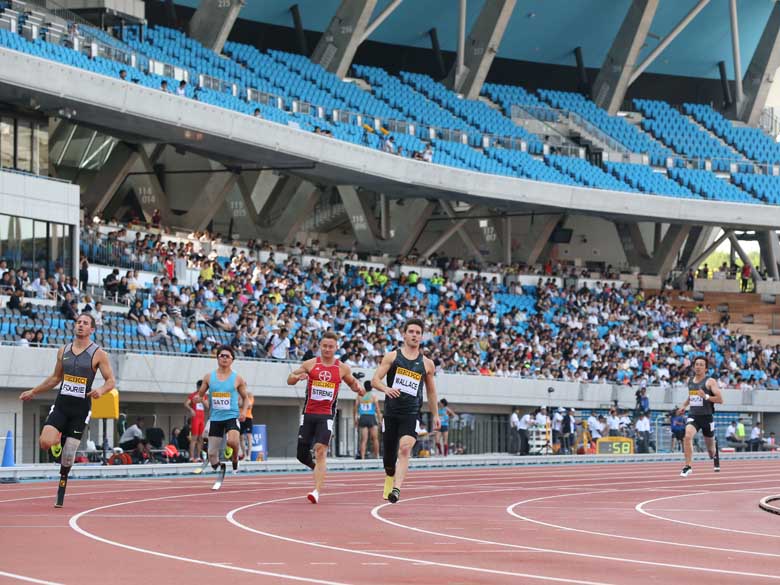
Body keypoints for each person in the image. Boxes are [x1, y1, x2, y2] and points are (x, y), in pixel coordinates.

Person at [19, 314, 115, 507]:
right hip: (62, 405)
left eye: (85, 323)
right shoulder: (64, 350)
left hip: (81, 409)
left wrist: (101, 391)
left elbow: (110, 380)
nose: (81, 325)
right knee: (45, 443)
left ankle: (63, 480)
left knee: (69, 455)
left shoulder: (99, 354)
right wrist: (34, 391)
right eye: (78, 322)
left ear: (92, 329)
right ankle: (57, 442)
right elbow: (55, 378)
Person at [286, 332, 364, 503]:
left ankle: (316, 491)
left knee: (320, 450)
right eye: (325, 346)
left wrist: (358, 388)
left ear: (336, 348)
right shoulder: (310, 364)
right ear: (320, 346)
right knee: (301, 454)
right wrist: (297, 377)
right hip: (308, 414)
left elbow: (351, 382)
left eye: (331, 346)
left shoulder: (342, 368)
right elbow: (289, 379)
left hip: (326, 415)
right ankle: (317, 469)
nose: (327, 349)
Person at [370, 318, 440, 504]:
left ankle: (396, 489)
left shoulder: (427, 364)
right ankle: (389, 476)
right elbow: (374, 380)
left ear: (422, 336)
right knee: (389, 458)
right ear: (404, 334)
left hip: (411, 413)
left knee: (405, 448)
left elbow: (431, 392)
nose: (414, 335)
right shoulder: (392, 357)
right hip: (391, 413)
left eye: (418, 332)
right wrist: (386, 389)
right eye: (411, 332)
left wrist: (436, 415)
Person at [196, 346, 249, 489]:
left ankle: (235, 457)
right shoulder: (208, 377)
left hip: (231, 416)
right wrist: (198, 398)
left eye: (227, 356)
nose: (224, 358)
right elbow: (200, 394)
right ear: (217, 358)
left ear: (232, 360)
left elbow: (246, 398)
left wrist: (243, 411)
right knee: (212, 454)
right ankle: (220, 467)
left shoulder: (237, 378)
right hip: (215, 418)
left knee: (232, 441)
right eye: (222, 355)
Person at [677, 356, 723, 477]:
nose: (698, 367)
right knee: (687, 436)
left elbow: (720, 399)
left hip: (707, 417)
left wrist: (706, 397)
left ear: (706, 368)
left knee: (710, 452)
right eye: (696, 364)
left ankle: (715, 451)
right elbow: (691, 397)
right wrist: (683, 406)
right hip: (694, 416)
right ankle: (688, 466)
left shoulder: (710, 382)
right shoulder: (690, 381)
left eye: (701, 365)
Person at [354, 381, 382, 459]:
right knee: (375, 438)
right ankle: (377, 456)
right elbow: (377, 408)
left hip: (363, 417)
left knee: (364, 439)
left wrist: (355, 419)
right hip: (371, 417)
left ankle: (362, 457)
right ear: (372, 387)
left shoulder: (360, 396)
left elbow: (355, 408)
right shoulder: (373, 396)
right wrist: (380, 420)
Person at [184, 381, 208, 461]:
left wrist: (203, 400)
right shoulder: (193, 395)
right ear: (198, 387)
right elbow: (186, 403)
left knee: (201, 438)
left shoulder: (204, 396)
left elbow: (208, 406)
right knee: (194, 438)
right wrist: (191, 409)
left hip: (202, 418)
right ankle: (191, 457)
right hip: (195, 418)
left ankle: (198, 456)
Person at [239, 390, 255, 461]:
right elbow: (238, 404)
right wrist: (243, 403)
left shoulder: (250, 396)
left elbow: (249, 405)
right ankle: (244, 455)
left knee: (249, 437)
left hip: (248, 418)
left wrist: (244, 402)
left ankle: (249, 455)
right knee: (241, 437)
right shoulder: (239, 396)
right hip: (240, 418)